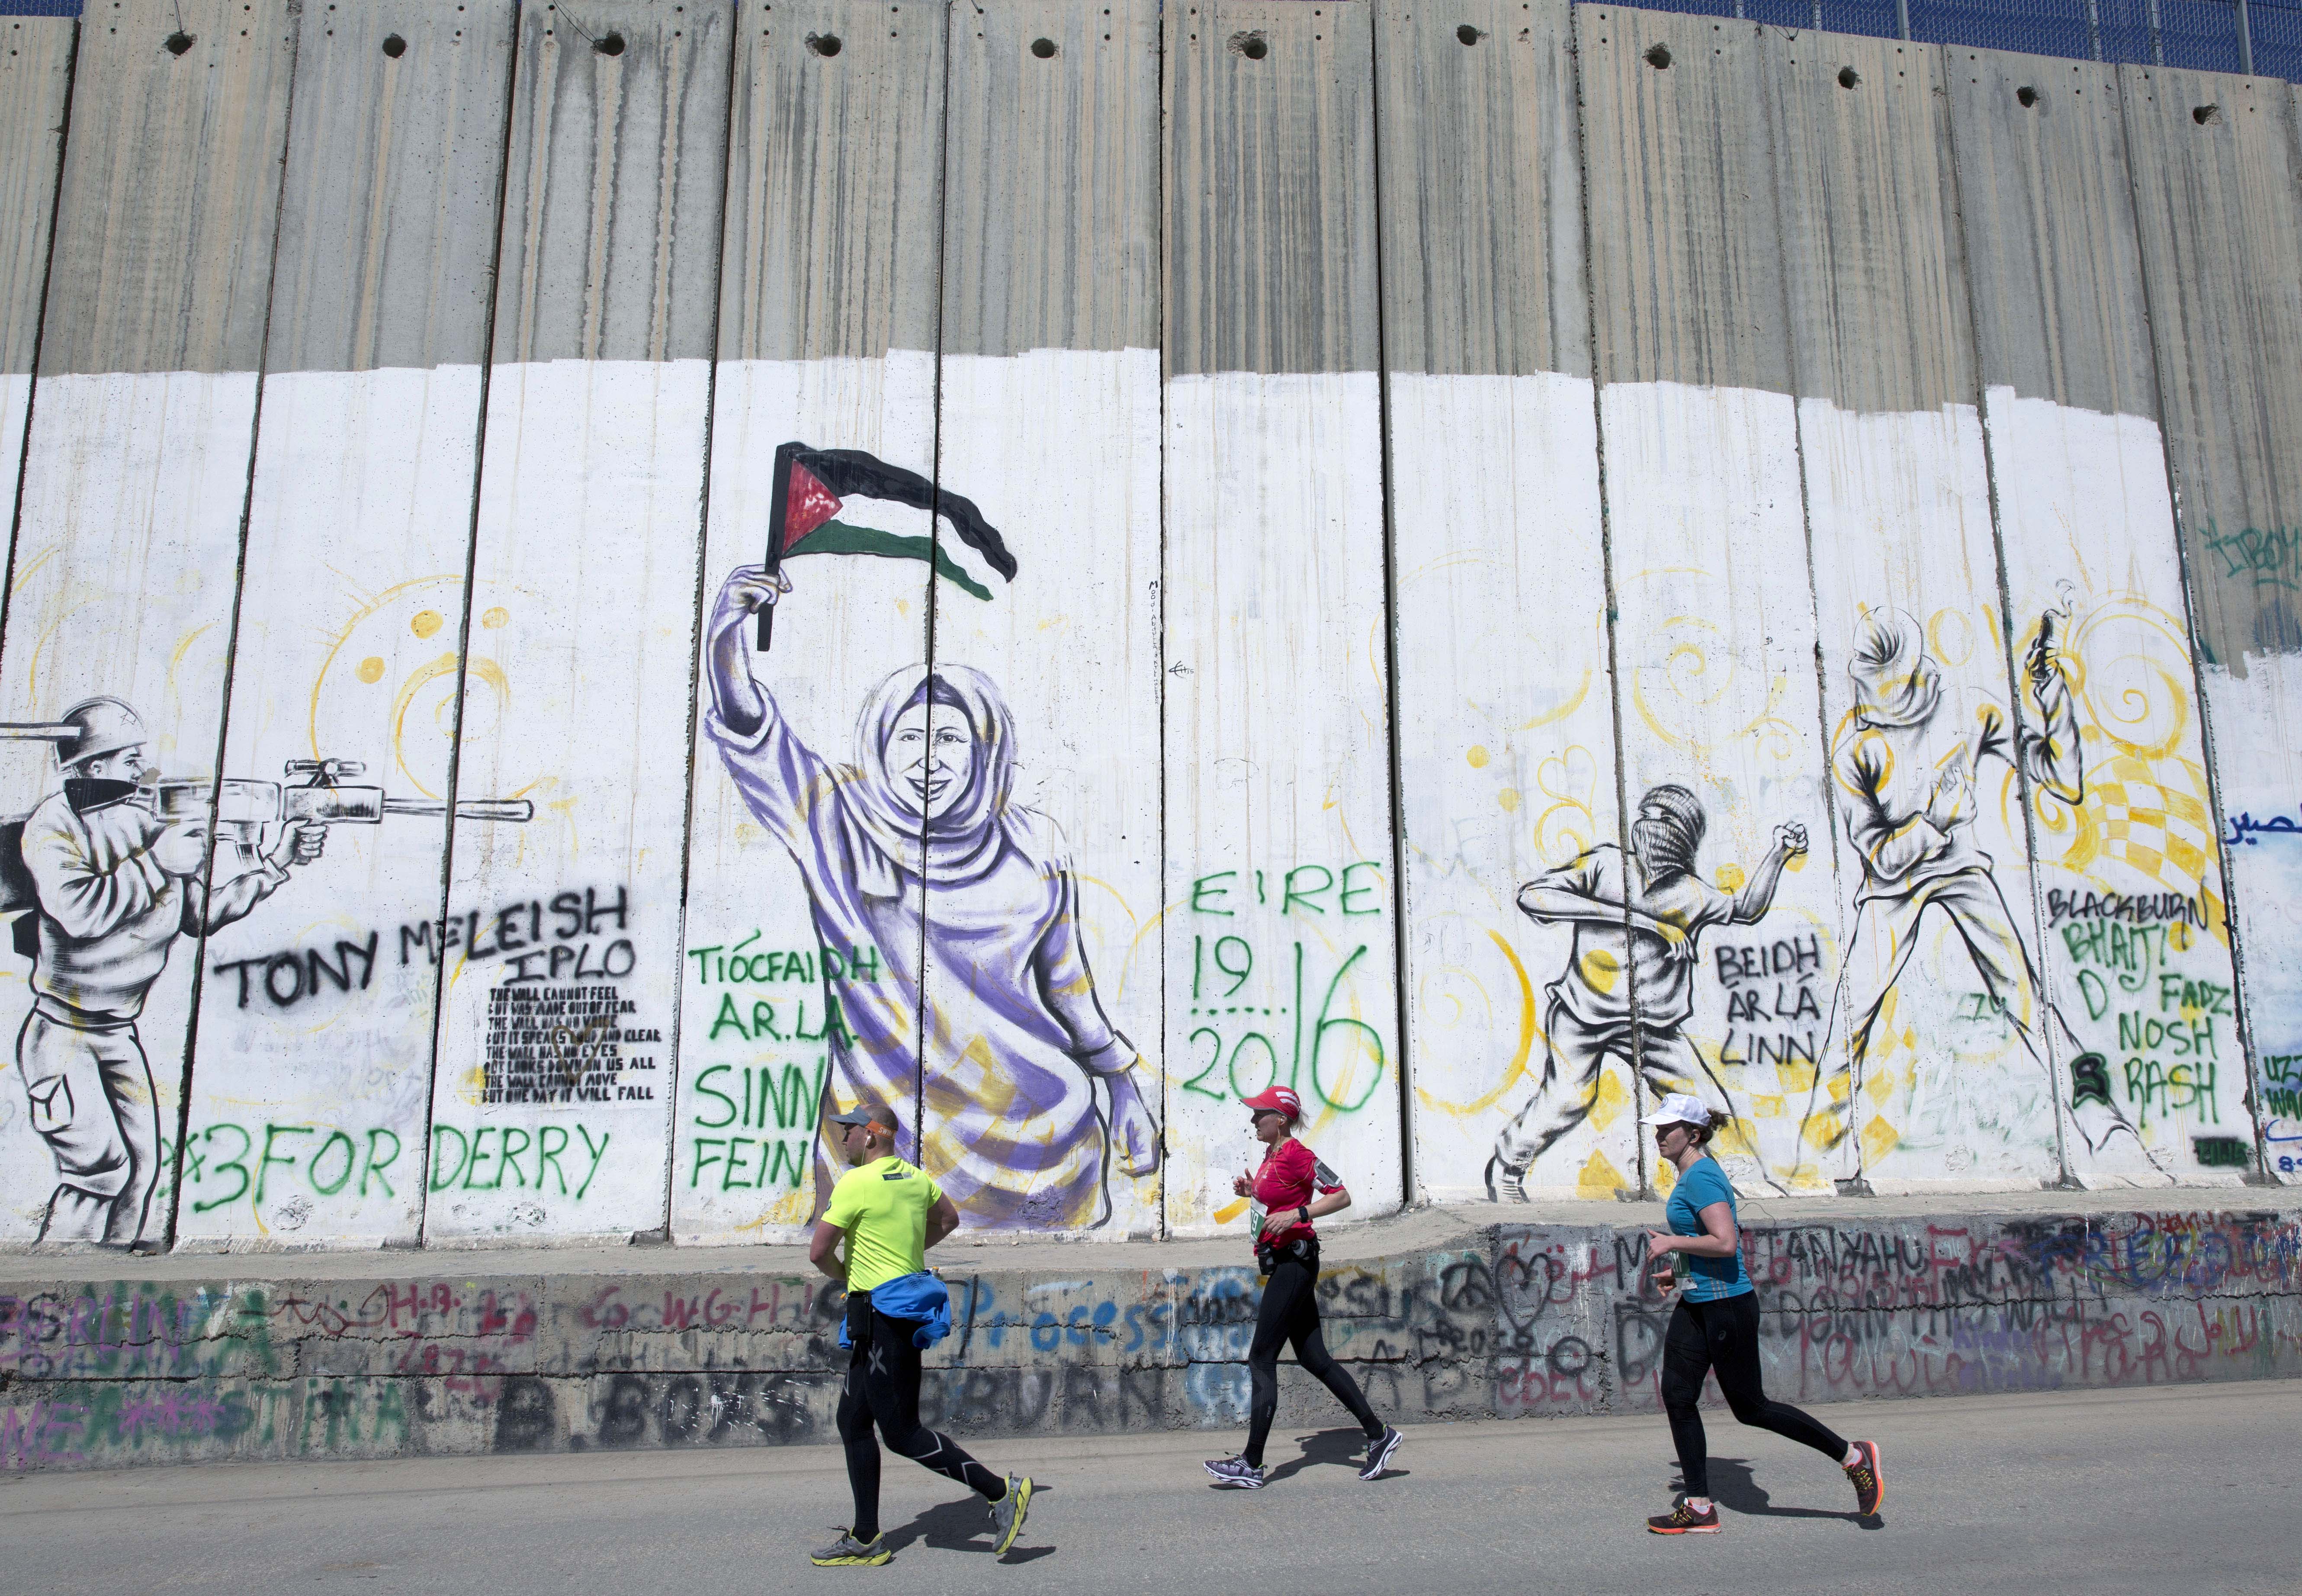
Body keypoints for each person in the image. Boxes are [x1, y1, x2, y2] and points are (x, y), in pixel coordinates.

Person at [704, 565, 1160, 1231]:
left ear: (984, 752)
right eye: (908, 738)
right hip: (888, 1150)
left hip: (1045, 1148)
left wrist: (1123, 1087)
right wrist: (725, 639)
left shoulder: (1033, 841)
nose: (927, 759)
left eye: (949, 738)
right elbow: (755, 733)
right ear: (881, 748)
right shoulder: (837, 823)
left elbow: (1066, 985)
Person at [1810, 605, 2145, 1171]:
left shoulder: (1969, 711)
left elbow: (2062, 778)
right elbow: (1883, 860)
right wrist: (1936, 821)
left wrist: (2049, 691)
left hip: (1962, 871)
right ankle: (1819, 1155)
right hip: (1891, 887)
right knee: (1853, 1015)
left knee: (2026, 996)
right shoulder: (1854, 753)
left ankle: (2102, 1123)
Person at [12, 697, 318, 1246]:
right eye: (128, 758)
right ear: (91, 766)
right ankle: (60, 1282)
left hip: (118, 1032)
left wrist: (277, 864)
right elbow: (80, 913)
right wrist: (158, 862)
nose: (141, 768)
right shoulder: (54, 825)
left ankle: (106, 1282)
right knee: (99, 1172)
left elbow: (198, 914)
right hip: (62, 1032)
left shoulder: (149, 821)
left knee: (142, 1173)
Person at [1487, 784, 1807, 1199]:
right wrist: (1644, 921)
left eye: (1664, 818)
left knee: (1704, 1104)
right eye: (1647, 814)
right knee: (1567, 1099)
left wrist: (1779, 854)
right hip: (1582, 1013)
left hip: (1654, 1026)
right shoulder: (1606, 865)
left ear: (1685, 833)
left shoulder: (1691, 893)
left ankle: (1740, 1182)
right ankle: (1507, 1170)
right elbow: (1534, 896)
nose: (1650, 824)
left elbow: (1745, 909)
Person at [1639, 1093, 1882, 1534]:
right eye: (1656, 1129)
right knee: (1677, 1396)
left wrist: (1672, 1245)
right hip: (1697, 1305)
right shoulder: (1690, 1176)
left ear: (1692, 1135)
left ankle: (1852, 1455)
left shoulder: (1702, 1179)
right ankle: (1697, 1507)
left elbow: (1725, 1242)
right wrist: (1676, 1274)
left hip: (1727, 1308)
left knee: (1751, 1408)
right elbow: (1700, 1239)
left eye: (1666, 1129)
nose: (1658, 1136)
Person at [807, 1101, 1033, 1567]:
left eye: (848, 1131)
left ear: (872, 1136)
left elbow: (818, 1251)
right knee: (852, 1421)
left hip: (882, 1318)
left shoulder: (856, 1183)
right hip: (882, 1318)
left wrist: (844, 1272)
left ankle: (1000, 1492)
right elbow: (948, 1220)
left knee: (902, 1434)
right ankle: (866, 1536)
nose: (843, 1139)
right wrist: (905, 1254)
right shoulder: (916, 1179)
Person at [1204, 1085, 1403, 1490]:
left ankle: (1252, 1464)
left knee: (1261, 1357)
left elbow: (1341, 1196)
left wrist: (1298, 1213)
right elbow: (1272, 1207)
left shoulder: (1297, 1154)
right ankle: (1380, 1436)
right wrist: (1251, 1195)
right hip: (1283, 1264)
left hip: (1296, 1265)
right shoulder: (1270, 1156)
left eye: (1259, 1113)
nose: (1252, 1120)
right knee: (1315, 1359)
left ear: (1280, 1119)